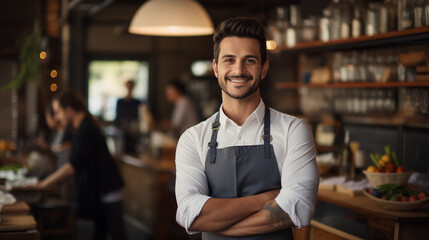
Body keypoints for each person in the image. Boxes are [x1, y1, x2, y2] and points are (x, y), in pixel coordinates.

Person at [175, 17, 319, 239]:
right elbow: (189, 214)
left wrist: (217, 224)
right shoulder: (193, 138)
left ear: (264, 68)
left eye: (249, 60)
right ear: (215, 68)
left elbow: (297, 208)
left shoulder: (293, 130)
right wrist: (266, 198)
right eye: (229, 60)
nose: (238, 70)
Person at [36, 90, 127, 240]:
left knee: (117, 234)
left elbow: (72, 166)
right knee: (100, 232)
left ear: (69, 109)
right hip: (100, 190)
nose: (57, 117)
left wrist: (44, 184)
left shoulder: (86, 129)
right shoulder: (81, 127)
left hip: (108, 188)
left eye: (58, 112)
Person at [116, 79, 141, 153]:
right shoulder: (120, 102)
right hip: (123, 129)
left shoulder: (137, 102)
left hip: (134, 129)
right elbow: (118, 116)